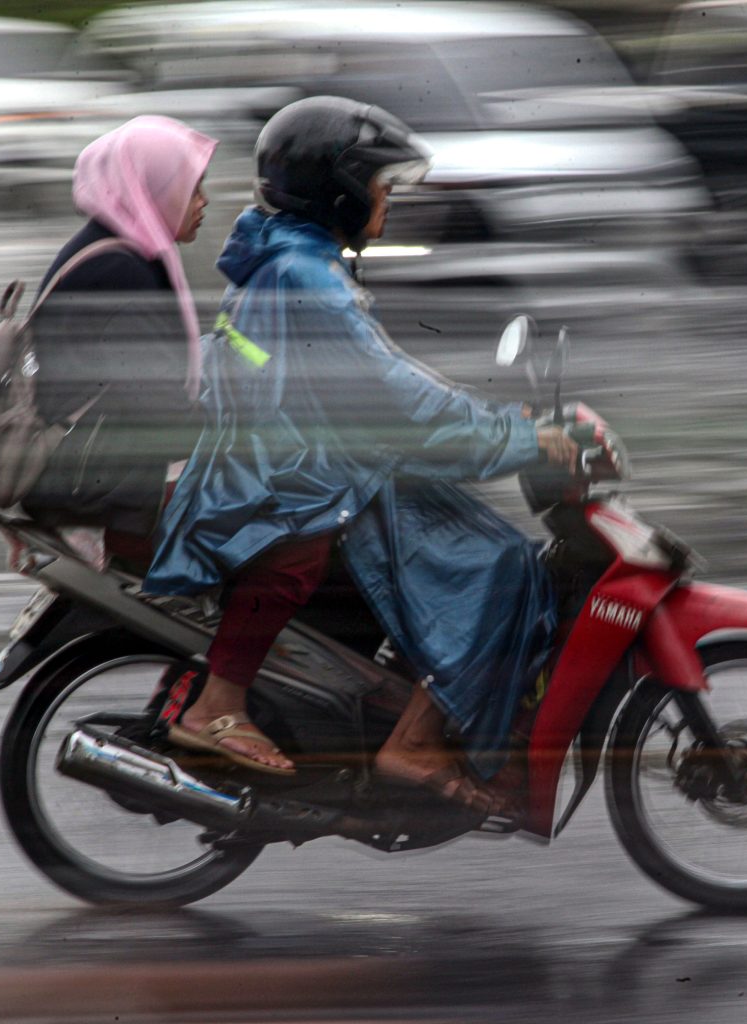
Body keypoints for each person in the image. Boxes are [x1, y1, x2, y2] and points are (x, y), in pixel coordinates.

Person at [145, 97, 578, 814]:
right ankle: (413, 742)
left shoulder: (286, 256)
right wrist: (517, 437)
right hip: (296, 483)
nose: (388, 201)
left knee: (464, 538)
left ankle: (410, 705)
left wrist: (501, 421)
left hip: (297, 464)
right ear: (339, 192)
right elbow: (398, 399)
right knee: (499, 564)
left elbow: (386, 385)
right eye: (380, 187)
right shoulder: (308, 278)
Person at [21, 116, 217, 544]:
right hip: (96, 487)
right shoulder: (119, 270)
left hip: (87, 471)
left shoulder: (112, 249)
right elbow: (158, 405)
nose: (204, 201)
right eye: (192, 188)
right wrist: (228, 429)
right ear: (153, 190)